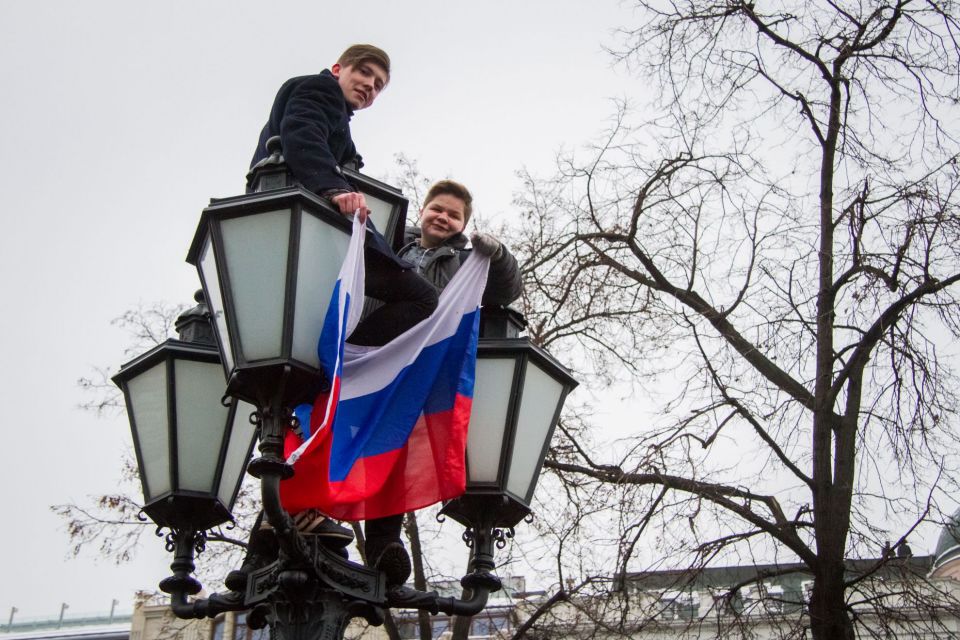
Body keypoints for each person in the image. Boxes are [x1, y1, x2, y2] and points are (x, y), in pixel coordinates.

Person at [228, 46, 439, 593]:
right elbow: (300, 136)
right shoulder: (316, 89)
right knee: (420, 299)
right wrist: (336, 188)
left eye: (379, 84)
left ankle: (339, 364)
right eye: (365, 73)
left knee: (301, 424)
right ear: (339, 69)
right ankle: (343, 359)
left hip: (311, 237)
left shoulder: (339, 117)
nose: (370, 86)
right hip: (315, 226)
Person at [363, 179, 522, 587]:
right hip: (368, 354)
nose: (443, 218)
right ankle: (282, 531)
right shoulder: (390, 245)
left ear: (463, 225)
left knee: (392, 450)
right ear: (422, 211)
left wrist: (497, 256)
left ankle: (383, 544)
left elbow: (506, 290)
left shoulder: (465, 263)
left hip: (416, 365)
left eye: (454, 215)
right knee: (326, 431)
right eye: (437, 209)